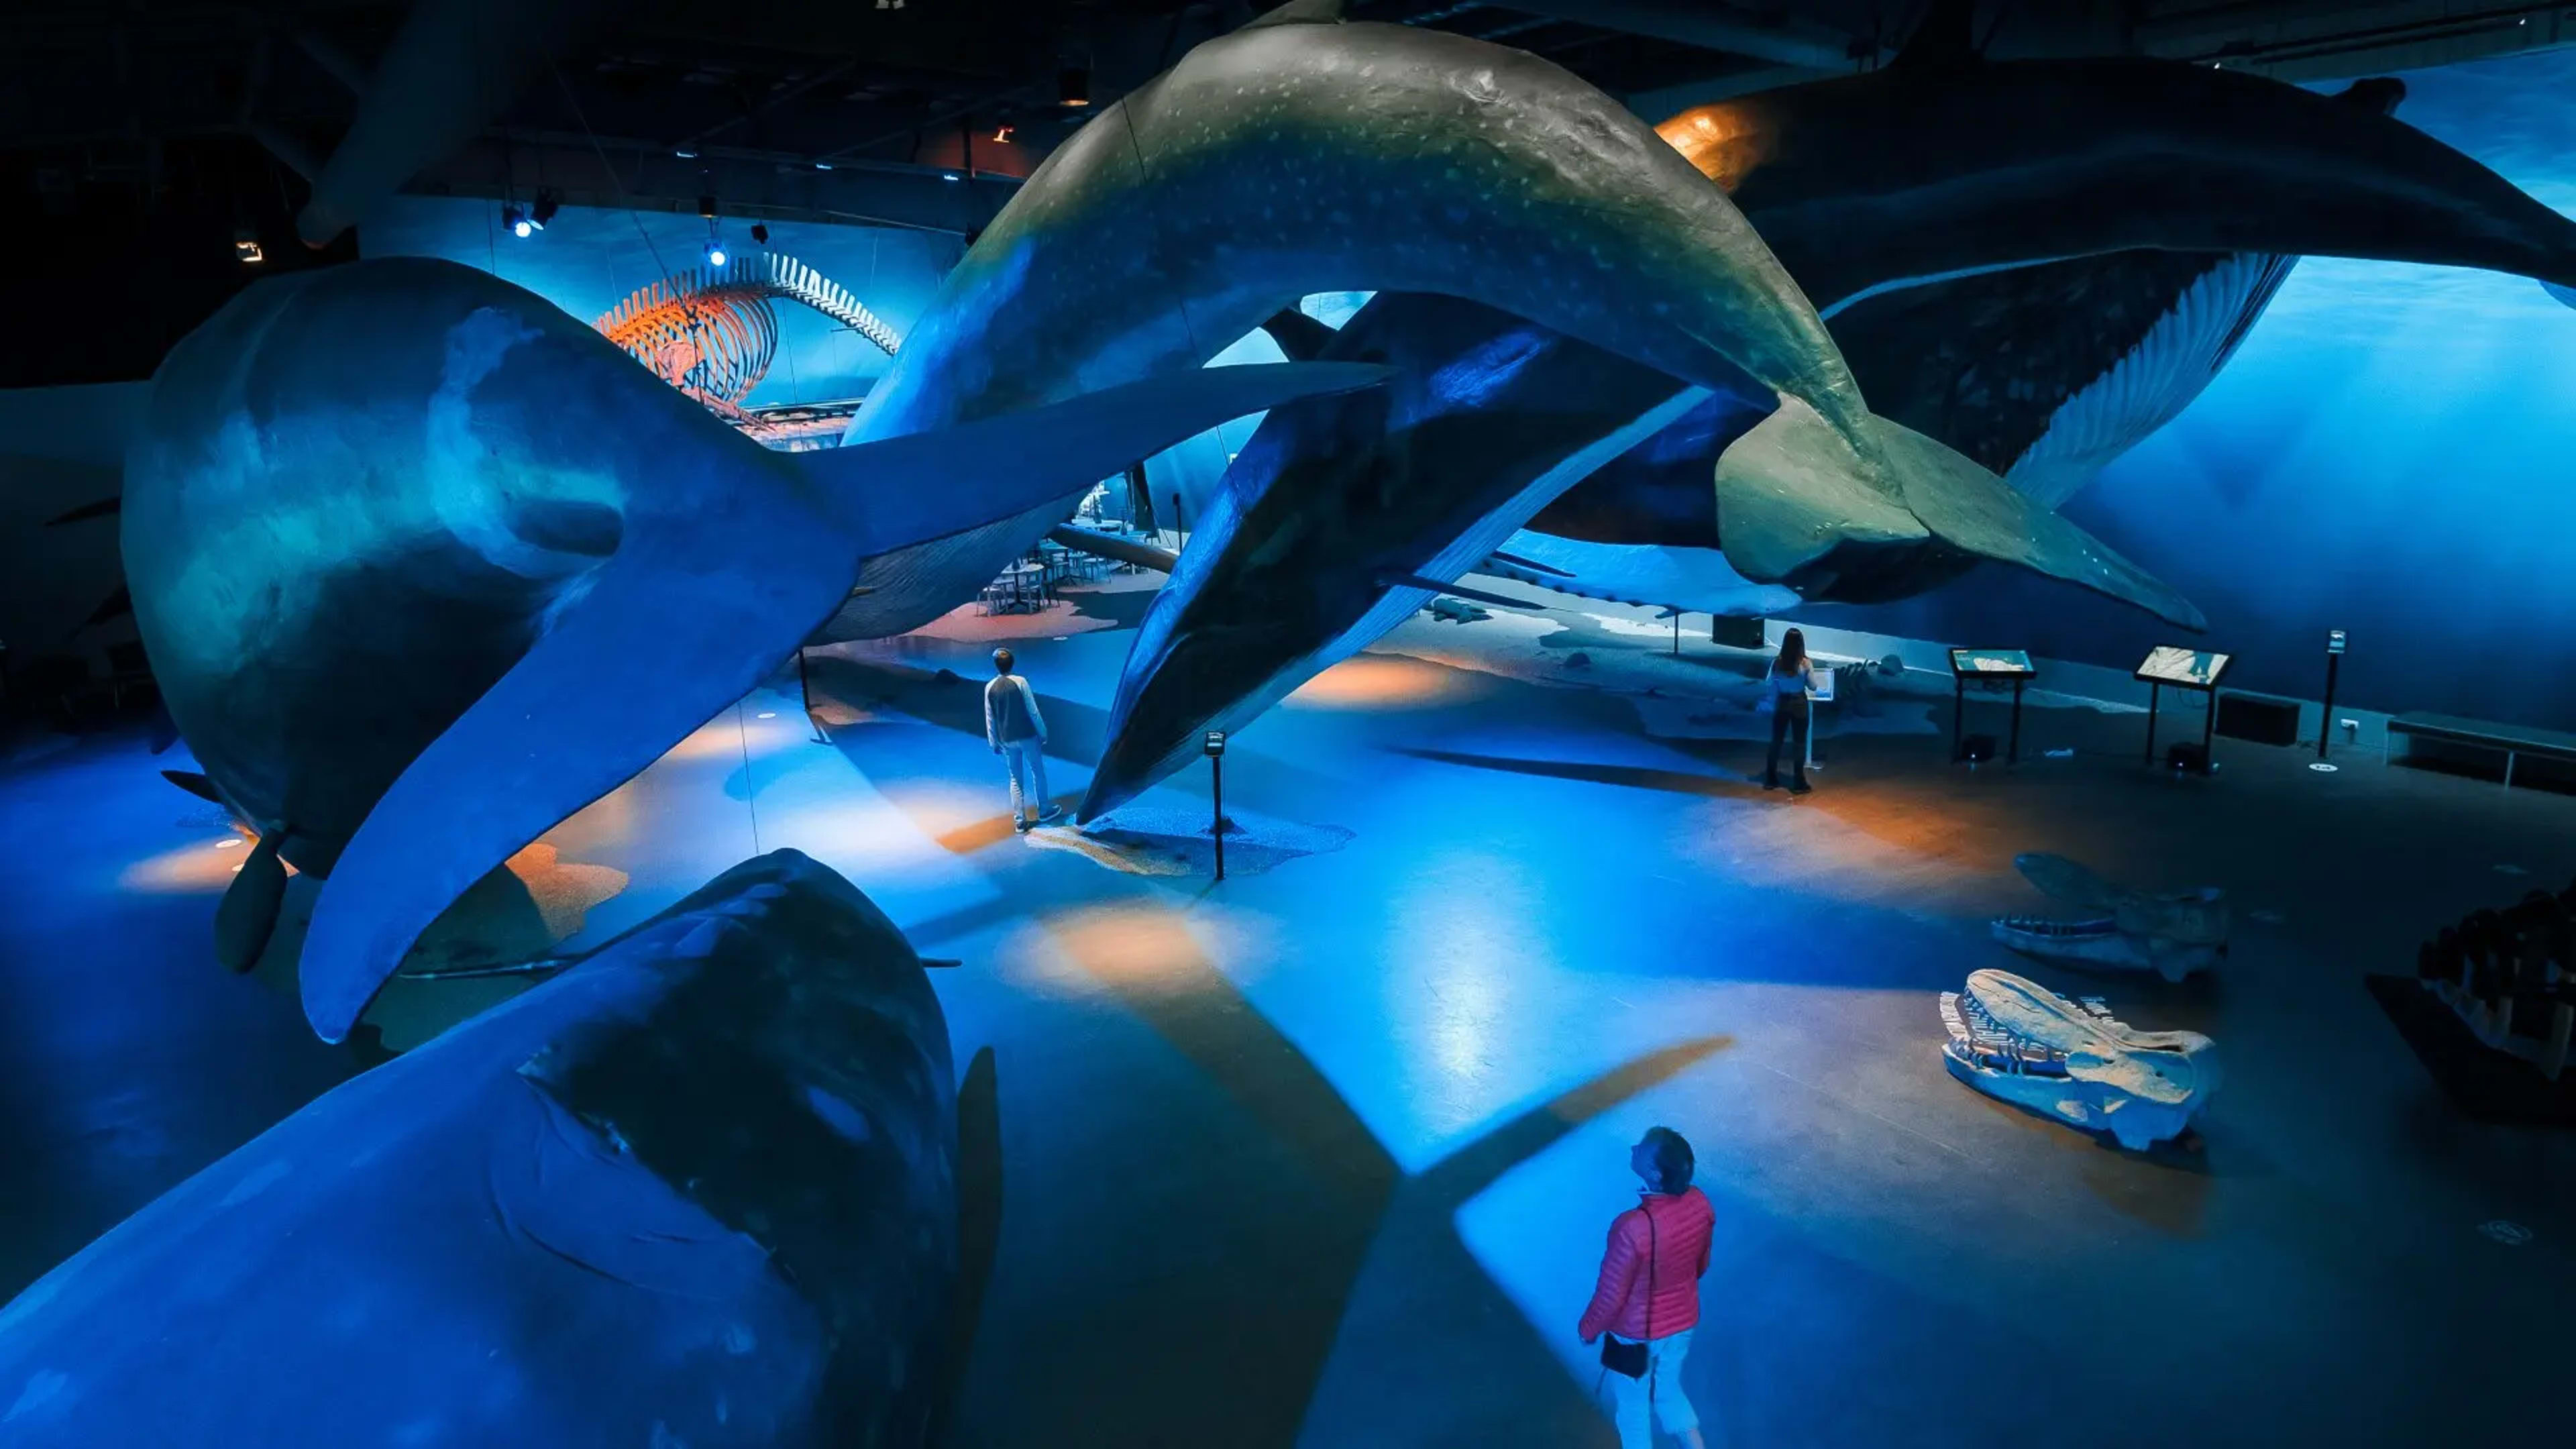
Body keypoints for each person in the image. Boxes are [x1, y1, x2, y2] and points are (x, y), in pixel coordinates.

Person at [1579, 1127, 1715, 1449]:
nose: (1633, 1148)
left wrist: (1589, 1329)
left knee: (1633, 1408)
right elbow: (1701, 1266)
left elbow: (1611, 1296)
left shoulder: (1632, 1227)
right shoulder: (1700, 1203)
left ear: (1654, 1174)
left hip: (1636, 1335)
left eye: (1642, 1150)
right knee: (1668, 1391)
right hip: (1683, 1323)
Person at [983, 648, 1061, 832]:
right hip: (1027, 735)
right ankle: (1044, 809)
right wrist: (1042, 732)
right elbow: (1032, 710)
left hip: (1007, 739)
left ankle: (1020, 820)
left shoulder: (989, 687)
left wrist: (993, 741)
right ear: (1012, 663)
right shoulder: (1021, 682)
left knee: (1015, 779)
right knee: (1038, 771)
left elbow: (990, 717)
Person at [1762, 627, 1823, 795]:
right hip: (1799, 703)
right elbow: (1812, 686)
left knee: (1777, 741)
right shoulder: (1805, 663)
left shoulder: (1777, 662)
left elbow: (1770, 684)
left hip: (1782, 702)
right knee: (1799, 743)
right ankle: (1798, 782)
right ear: (1801, 643)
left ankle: (1770, 779)